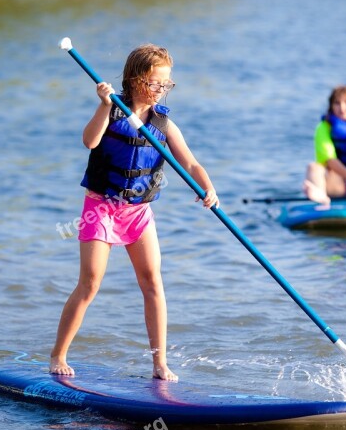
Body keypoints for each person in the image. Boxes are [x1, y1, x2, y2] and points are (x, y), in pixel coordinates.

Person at [50, 44, 219, 382]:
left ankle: (159, 363)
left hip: (138, 213)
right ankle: (58, 355)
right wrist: (102, 105)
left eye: (167, 84)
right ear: (135, 80)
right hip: (101, 207)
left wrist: (208, 187)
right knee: (90, 283)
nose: (161, 90)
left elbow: (190, 162)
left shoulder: (163, 122)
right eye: (156, 83)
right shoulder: (112, 109)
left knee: (153, 283)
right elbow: (89, 141)